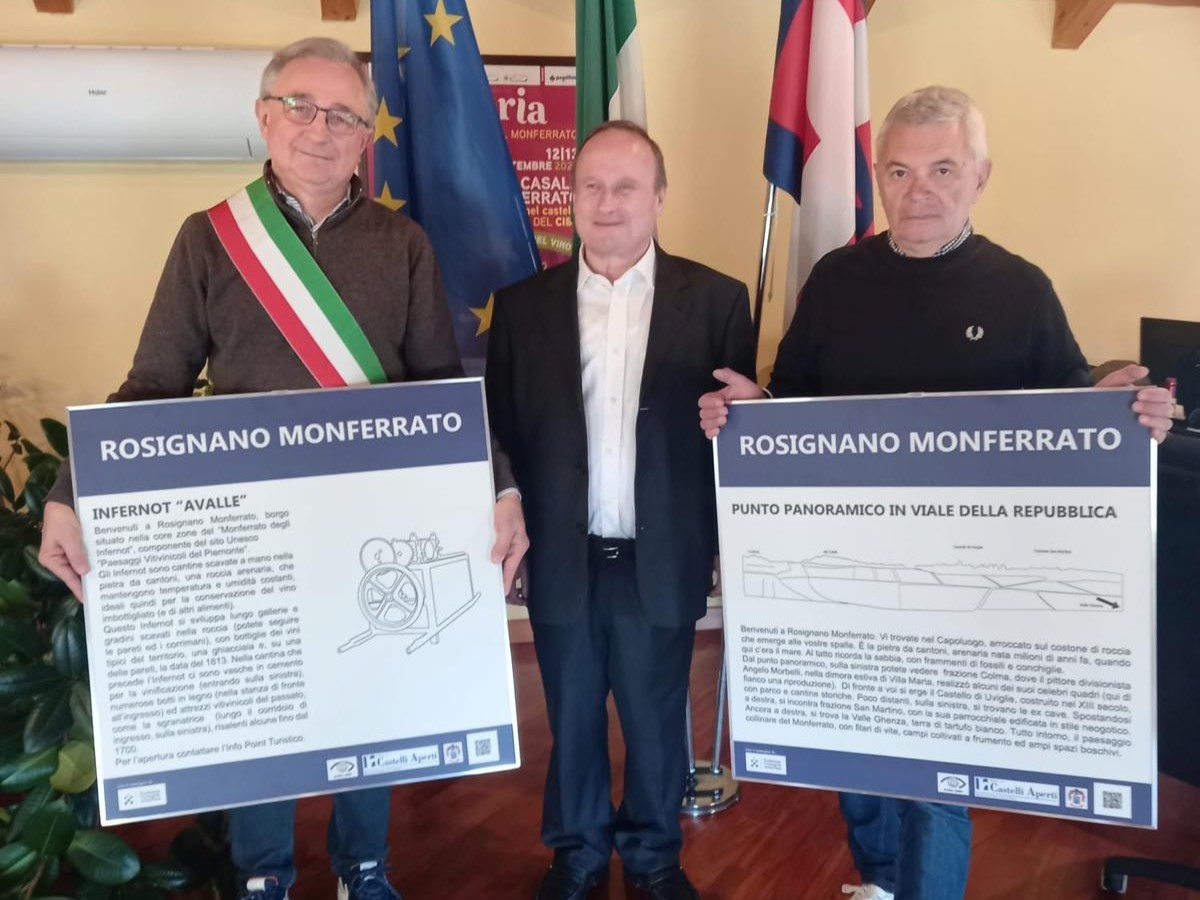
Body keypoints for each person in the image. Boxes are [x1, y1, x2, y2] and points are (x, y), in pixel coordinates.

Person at [37, 37, 528, 900]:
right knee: (262, 704)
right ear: (265, 117)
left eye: (342, 115)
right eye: (300, 107)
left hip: (371, 521)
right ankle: (262, 874)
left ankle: (363, 867)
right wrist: (69, 493)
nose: (320, 129)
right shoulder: (209, 240)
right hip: (253, 528)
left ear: (365, 136)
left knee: (370, 691)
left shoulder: (403, 244)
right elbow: (151, 386)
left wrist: (501, 486)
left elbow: (441, 391)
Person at [697, 86, 1173, 900]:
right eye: (899, 171)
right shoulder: (836, 280)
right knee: (854, 754)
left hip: (962, 597)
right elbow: (792, 403)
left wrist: (1124, 410)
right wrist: (750, 410)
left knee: (938, 780)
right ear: (879, 177)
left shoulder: (1021, 289)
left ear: (980, 177)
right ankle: (879, 882)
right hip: (849, 579)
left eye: (943, 169)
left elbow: (1071, 405)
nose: (919, 190)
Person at [485, 121, 755, 900]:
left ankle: (652, 858)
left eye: (627, 187)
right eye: (592, 186)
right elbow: (498, 428)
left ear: (659, 198)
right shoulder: (522, 307)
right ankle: (575, 857)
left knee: (655, 716)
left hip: (662, 554)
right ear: (571, 198)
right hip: (561, 555)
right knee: (571, 719)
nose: (608, 203)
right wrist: (508, 504)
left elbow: (736, 433)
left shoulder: (717, 300)